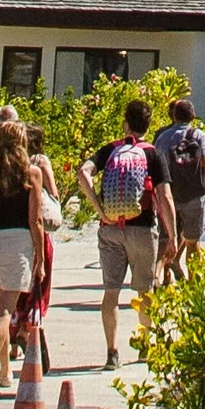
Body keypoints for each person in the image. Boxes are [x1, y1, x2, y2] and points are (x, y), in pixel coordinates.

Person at [0, 106, 53, 387]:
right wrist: (40, 255)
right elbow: (35, 219)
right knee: (4, 312)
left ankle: (5, 373)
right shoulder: (32, 173)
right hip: (18, 242)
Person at [83, 98, 161, 370]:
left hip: (111, 228)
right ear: (148, 125)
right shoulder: (152, 154)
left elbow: (83, 173)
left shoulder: (110, 149)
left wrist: (100, 209)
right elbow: (166, 196)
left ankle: (112, 352)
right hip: (142, 228)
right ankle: (145, 346)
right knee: (145, 290)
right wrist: (171, 234)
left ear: (126, 124)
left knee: (111, 292)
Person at [151, 94, 205, 267]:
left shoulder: (163, 137)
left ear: (174, 116)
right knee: (193, 242)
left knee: (167, 240)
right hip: (194, 195)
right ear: (193, 116)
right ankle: (193, 283)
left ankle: (161, 279)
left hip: (169, 195)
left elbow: (156, 166)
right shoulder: (199, 135)